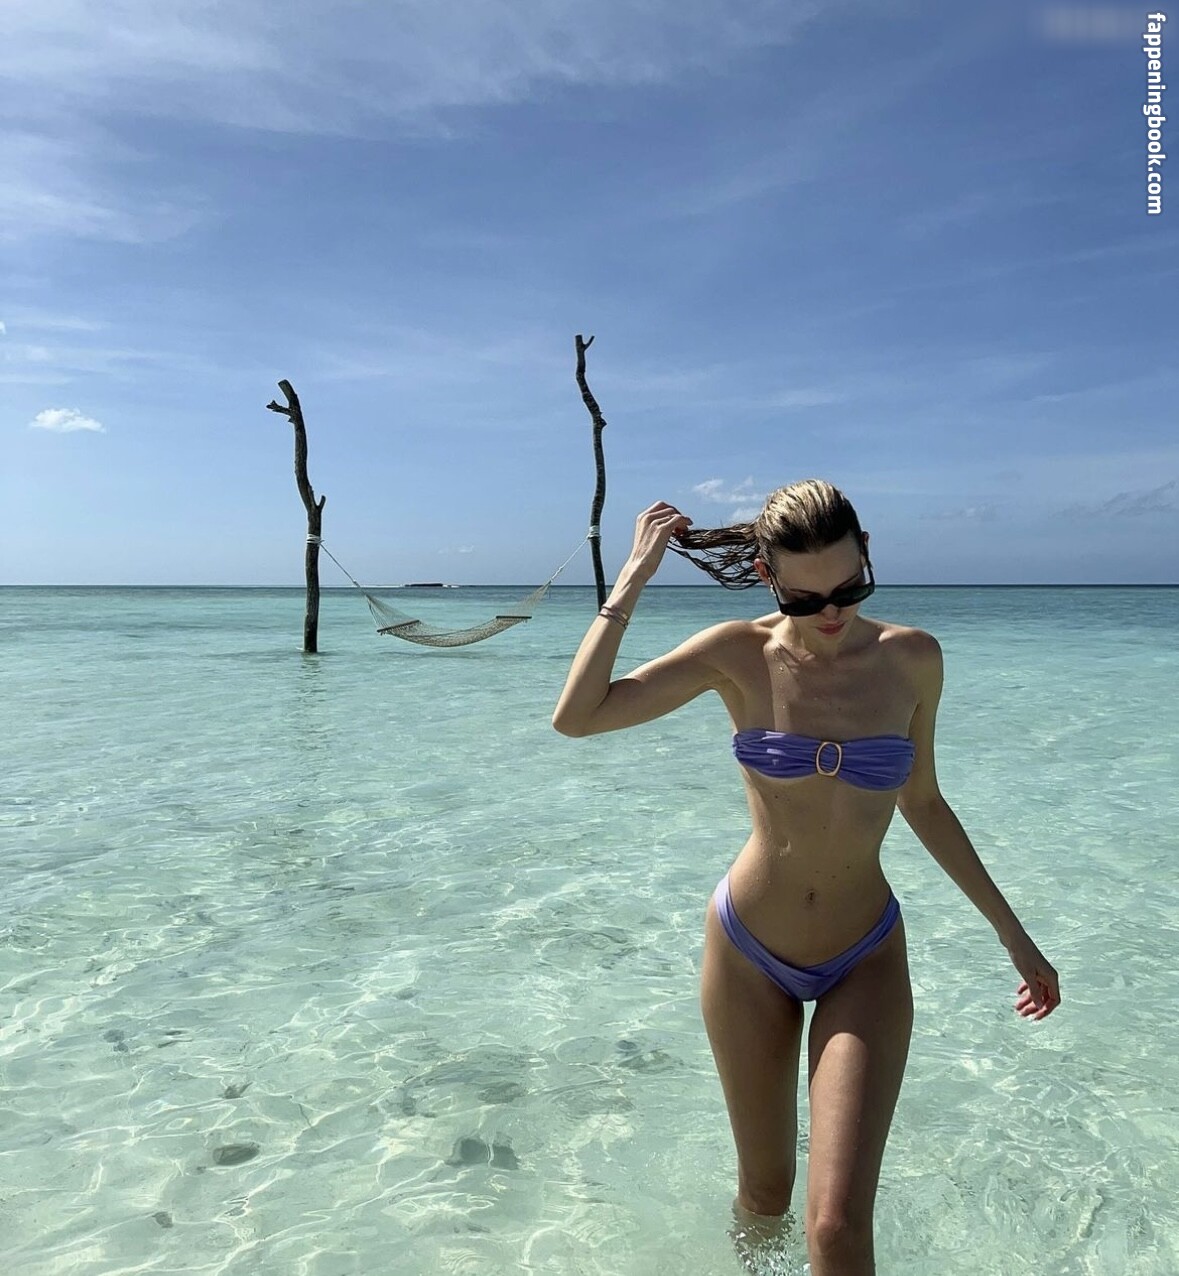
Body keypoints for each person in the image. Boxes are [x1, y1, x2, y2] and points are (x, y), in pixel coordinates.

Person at [551, 479, 1060, 1276]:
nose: (831, 612)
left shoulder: (912, 659)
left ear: (867, 556)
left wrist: (1013, 935)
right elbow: (577, 717)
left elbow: (923, 802)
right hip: (747, 952)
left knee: (834, 1228)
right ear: (766, 576)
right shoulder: (735, 654)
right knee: (764, 1196)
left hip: (864, 954)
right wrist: (632, 579)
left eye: (850, 588)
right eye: (805, 596)